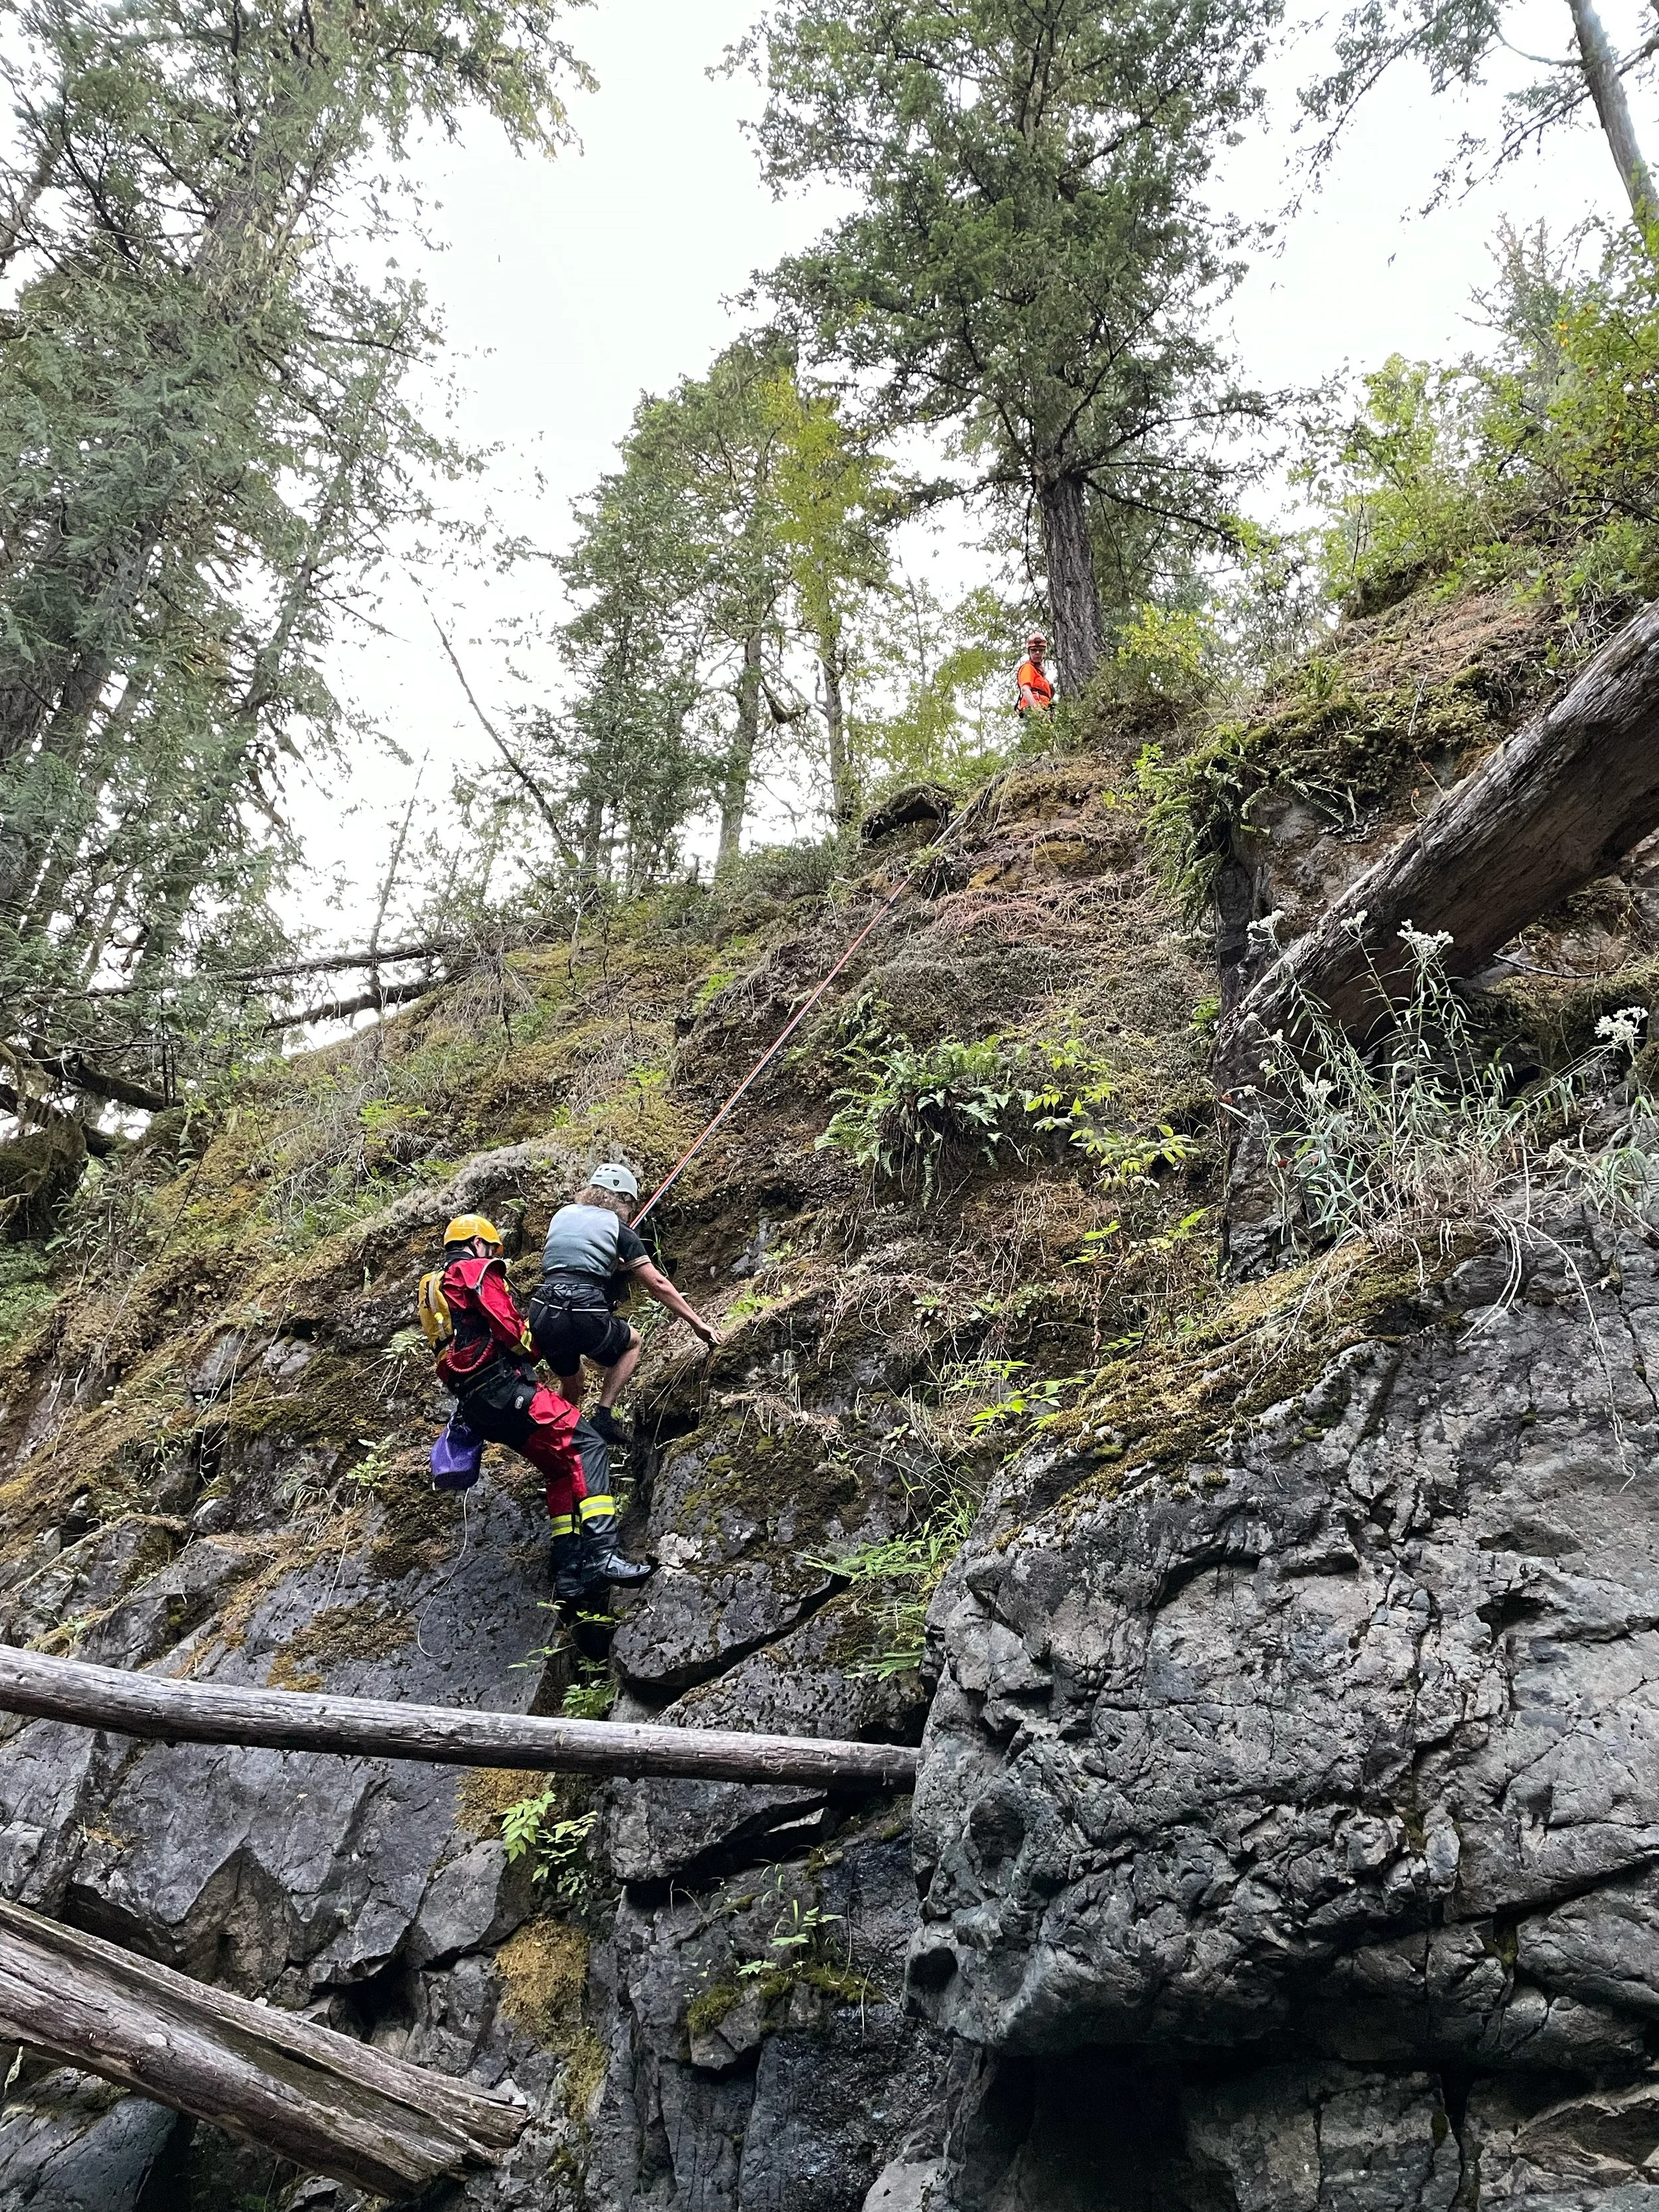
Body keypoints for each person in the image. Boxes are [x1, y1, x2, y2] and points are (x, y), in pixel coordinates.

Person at [425, 1213, 652, 1597]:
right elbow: (511, 1331)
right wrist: (541, 1341)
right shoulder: (475, 1271)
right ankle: (605, 1555)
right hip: (505, 1390)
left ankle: (568, 1574)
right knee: (587, 1443)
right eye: (490, 1248)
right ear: (478, 1244)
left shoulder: (433, 1287)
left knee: (560, 1467)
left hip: (477, 1406)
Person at [529, 1163, 719, 1445]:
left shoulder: (561, 1216)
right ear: (624, 1200)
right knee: (632, 1343)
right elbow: (657, 1284)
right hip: (584, 1311)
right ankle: (603, 1416)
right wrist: (697, 1324)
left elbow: (573, 1259)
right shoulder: (619, 1228)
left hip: (544, 1310)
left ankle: (548, 1439)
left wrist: (608, 1264)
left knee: (574, 1382)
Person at [1015, 632, 1054, 717]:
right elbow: (1025, 689)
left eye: (1041, 650)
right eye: (1034, 650)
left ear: (1044, 652)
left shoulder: (1041, 676)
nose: (1037, 653)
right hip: (1032, 712)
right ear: (1029, 652)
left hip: (1044, 711)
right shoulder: (1028, 668)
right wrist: (1037, 710)